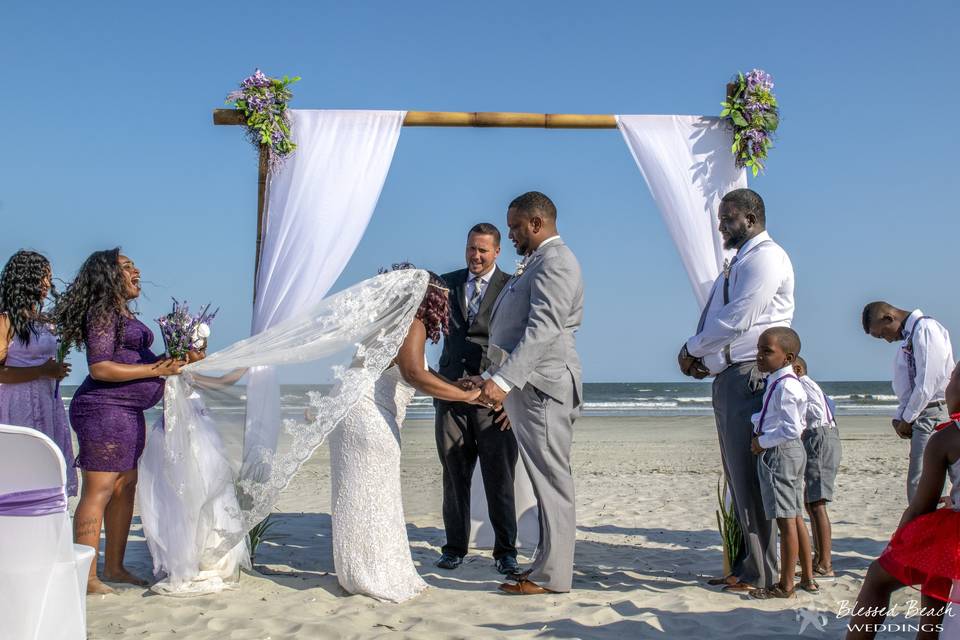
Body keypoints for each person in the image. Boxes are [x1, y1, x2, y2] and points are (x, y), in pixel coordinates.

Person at [329, 267, 484, 603]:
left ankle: (358, 571)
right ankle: (373, 574)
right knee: (374, 493)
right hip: (369, 417)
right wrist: (464, 396)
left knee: (360, 494)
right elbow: (413, 373)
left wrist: (453, 384)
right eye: (441, 300)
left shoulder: (386, 321)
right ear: (430, 298)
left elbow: (414, 369)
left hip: (354, 414)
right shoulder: (411, 322)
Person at [677, 188, 795, 593]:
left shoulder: (767, 258)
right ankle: (747, 567)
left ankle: (758, 572)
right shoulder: (742, 259)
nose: (721, 225)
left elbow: (740, 318)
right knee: (737, 477)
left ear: (750, 217)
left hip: (751, 377)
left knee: (748, 477)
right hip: (732, 374)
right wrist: (706, 363)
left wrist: (692, 348)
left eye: (727, 218)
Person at [467, 191, 584, 595]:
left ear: (537, 223)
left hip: (544, 386)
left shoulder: (556, 262)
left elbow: (542, 330)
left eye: (515, 226)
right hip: (528, 383)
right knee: (541, 482)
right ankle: (543, 565)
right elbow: (513, 330)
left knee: (553, 482)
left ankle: (554, 578)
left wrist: (502, 383)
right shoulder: (536, 262)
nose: (512, 234)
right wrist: (488, 375)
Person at [53, 249, 186, 594]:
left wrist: (176, 357)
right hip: (102, 409)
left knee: (126, 488)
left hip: (129, 413)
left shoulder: (123, 314)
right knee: (98, 490)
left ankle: (114, 567)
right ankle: (86, 575)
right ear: (108, 276)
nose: (136, 270)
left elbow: (137, 362)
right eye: (127, 267)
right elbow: (100, 367)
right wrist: (157, 370)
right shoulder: (101, 313)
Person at [845, 362, 960, 640]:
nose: (947, 385)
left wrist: (899, 540)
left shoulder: (948, 437)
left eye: (954, 377)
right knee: (937, 577)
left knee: (878, 578)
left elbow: (922, 505)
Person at [434, 223, 518, 574]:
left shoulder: (512, 287)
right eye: (471, 248)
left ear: (497, 251)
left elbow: (523, 344)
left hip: (493, 400)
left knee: (499, 478)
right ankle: (454, 548)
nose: (476, 256)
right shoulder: (444, 283)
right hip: (451, 396)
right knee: (454, 476)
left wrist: (511, 398)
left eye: (483, 250)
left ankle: (505, 552)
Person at [862, 302, 956, 501]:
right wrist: (899, 417)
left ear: (888, 317)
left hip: (933, 411)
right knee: (919, 478)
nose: (886, 340)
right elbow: (906, 386)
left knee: (922, 482)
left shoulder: (926, 329)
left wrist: (908, 418)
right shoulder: (909, 338)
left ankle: (923, 529)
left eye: (882, 334)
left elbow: (928, 382)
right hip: (922, 412)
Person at [0, 250, 76, 495]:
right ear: (27, 279)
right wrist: (42, 370)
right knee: (21, 470)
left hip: (46, 402)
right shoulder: (6, 319)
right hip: (16, 402)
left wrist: (53, 370)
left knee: (46, 469)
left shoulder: (41, 319)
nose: (48, 283)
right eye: (44, 276)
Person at [748, 327, 816, 599]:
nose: (760, 357)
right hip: (785, 451)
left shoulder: (787, 385)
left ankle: (785, 585)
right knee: (795, 515)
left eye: (767, 351)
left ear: (787, 358)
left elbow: (791, 428)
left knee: (786, 519)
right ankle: (807, 577)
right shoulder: (778, 381)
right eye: (758, 350)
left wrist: (760, 442)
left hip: (781, 453)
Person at [793, 355, 842, 577]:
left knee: (817, 502)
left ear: (797, 368)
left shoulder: (802, 384)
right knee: (811, 501)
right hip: (820, 436)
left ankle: (825, 563)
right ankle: (819, 557)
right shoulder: (811, 387)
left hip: (819, 437)